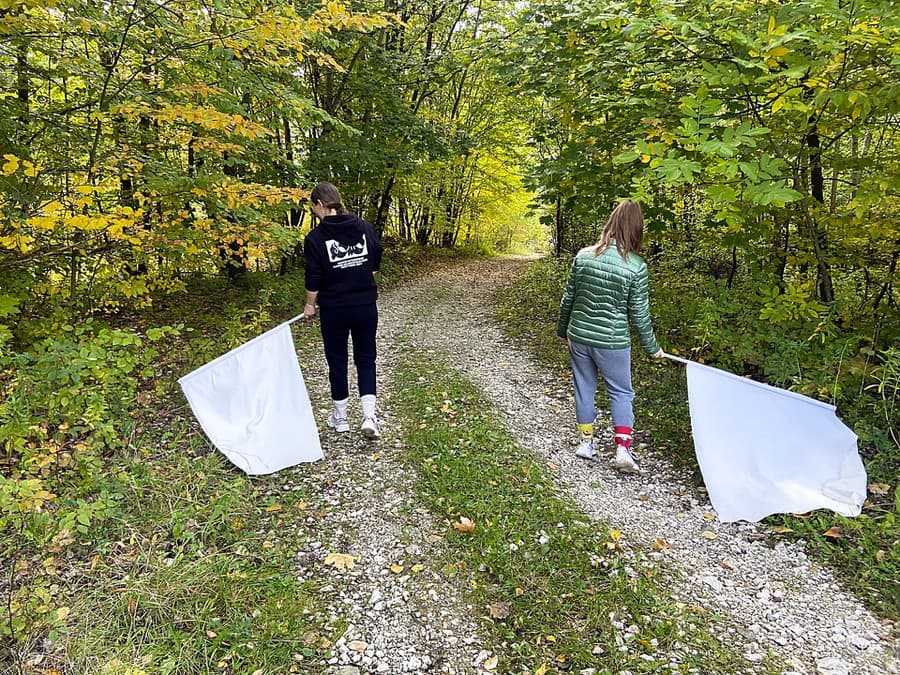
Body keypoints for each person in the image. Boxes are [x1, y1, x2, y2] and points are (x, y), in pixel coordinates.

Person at [556, 199, 664, 473]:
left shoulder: (583, 256)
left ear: (611, 224)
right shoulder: (636, 266)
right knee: (621, 392)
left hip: (579, 335)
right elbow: (639, 314)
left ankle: (586, 443)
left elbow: (569, 297)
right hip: (613, 341)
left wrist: (562, 330)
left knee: (584, 386)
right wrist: (652, 348)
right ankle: (622, 449)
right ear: (636, 230)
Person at [303, 182, 384, 439]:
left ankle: (340, 419)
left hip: (334, 310)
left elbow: (313, 276)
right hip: (364, 307)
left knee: (337, 361)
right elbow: (375, 262)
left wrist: (309, 305)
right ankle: (369, 416)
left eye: (314, 207)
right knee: (366, 358)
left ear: (319, 204)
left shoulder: (315, 238)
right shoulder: (364, 228)